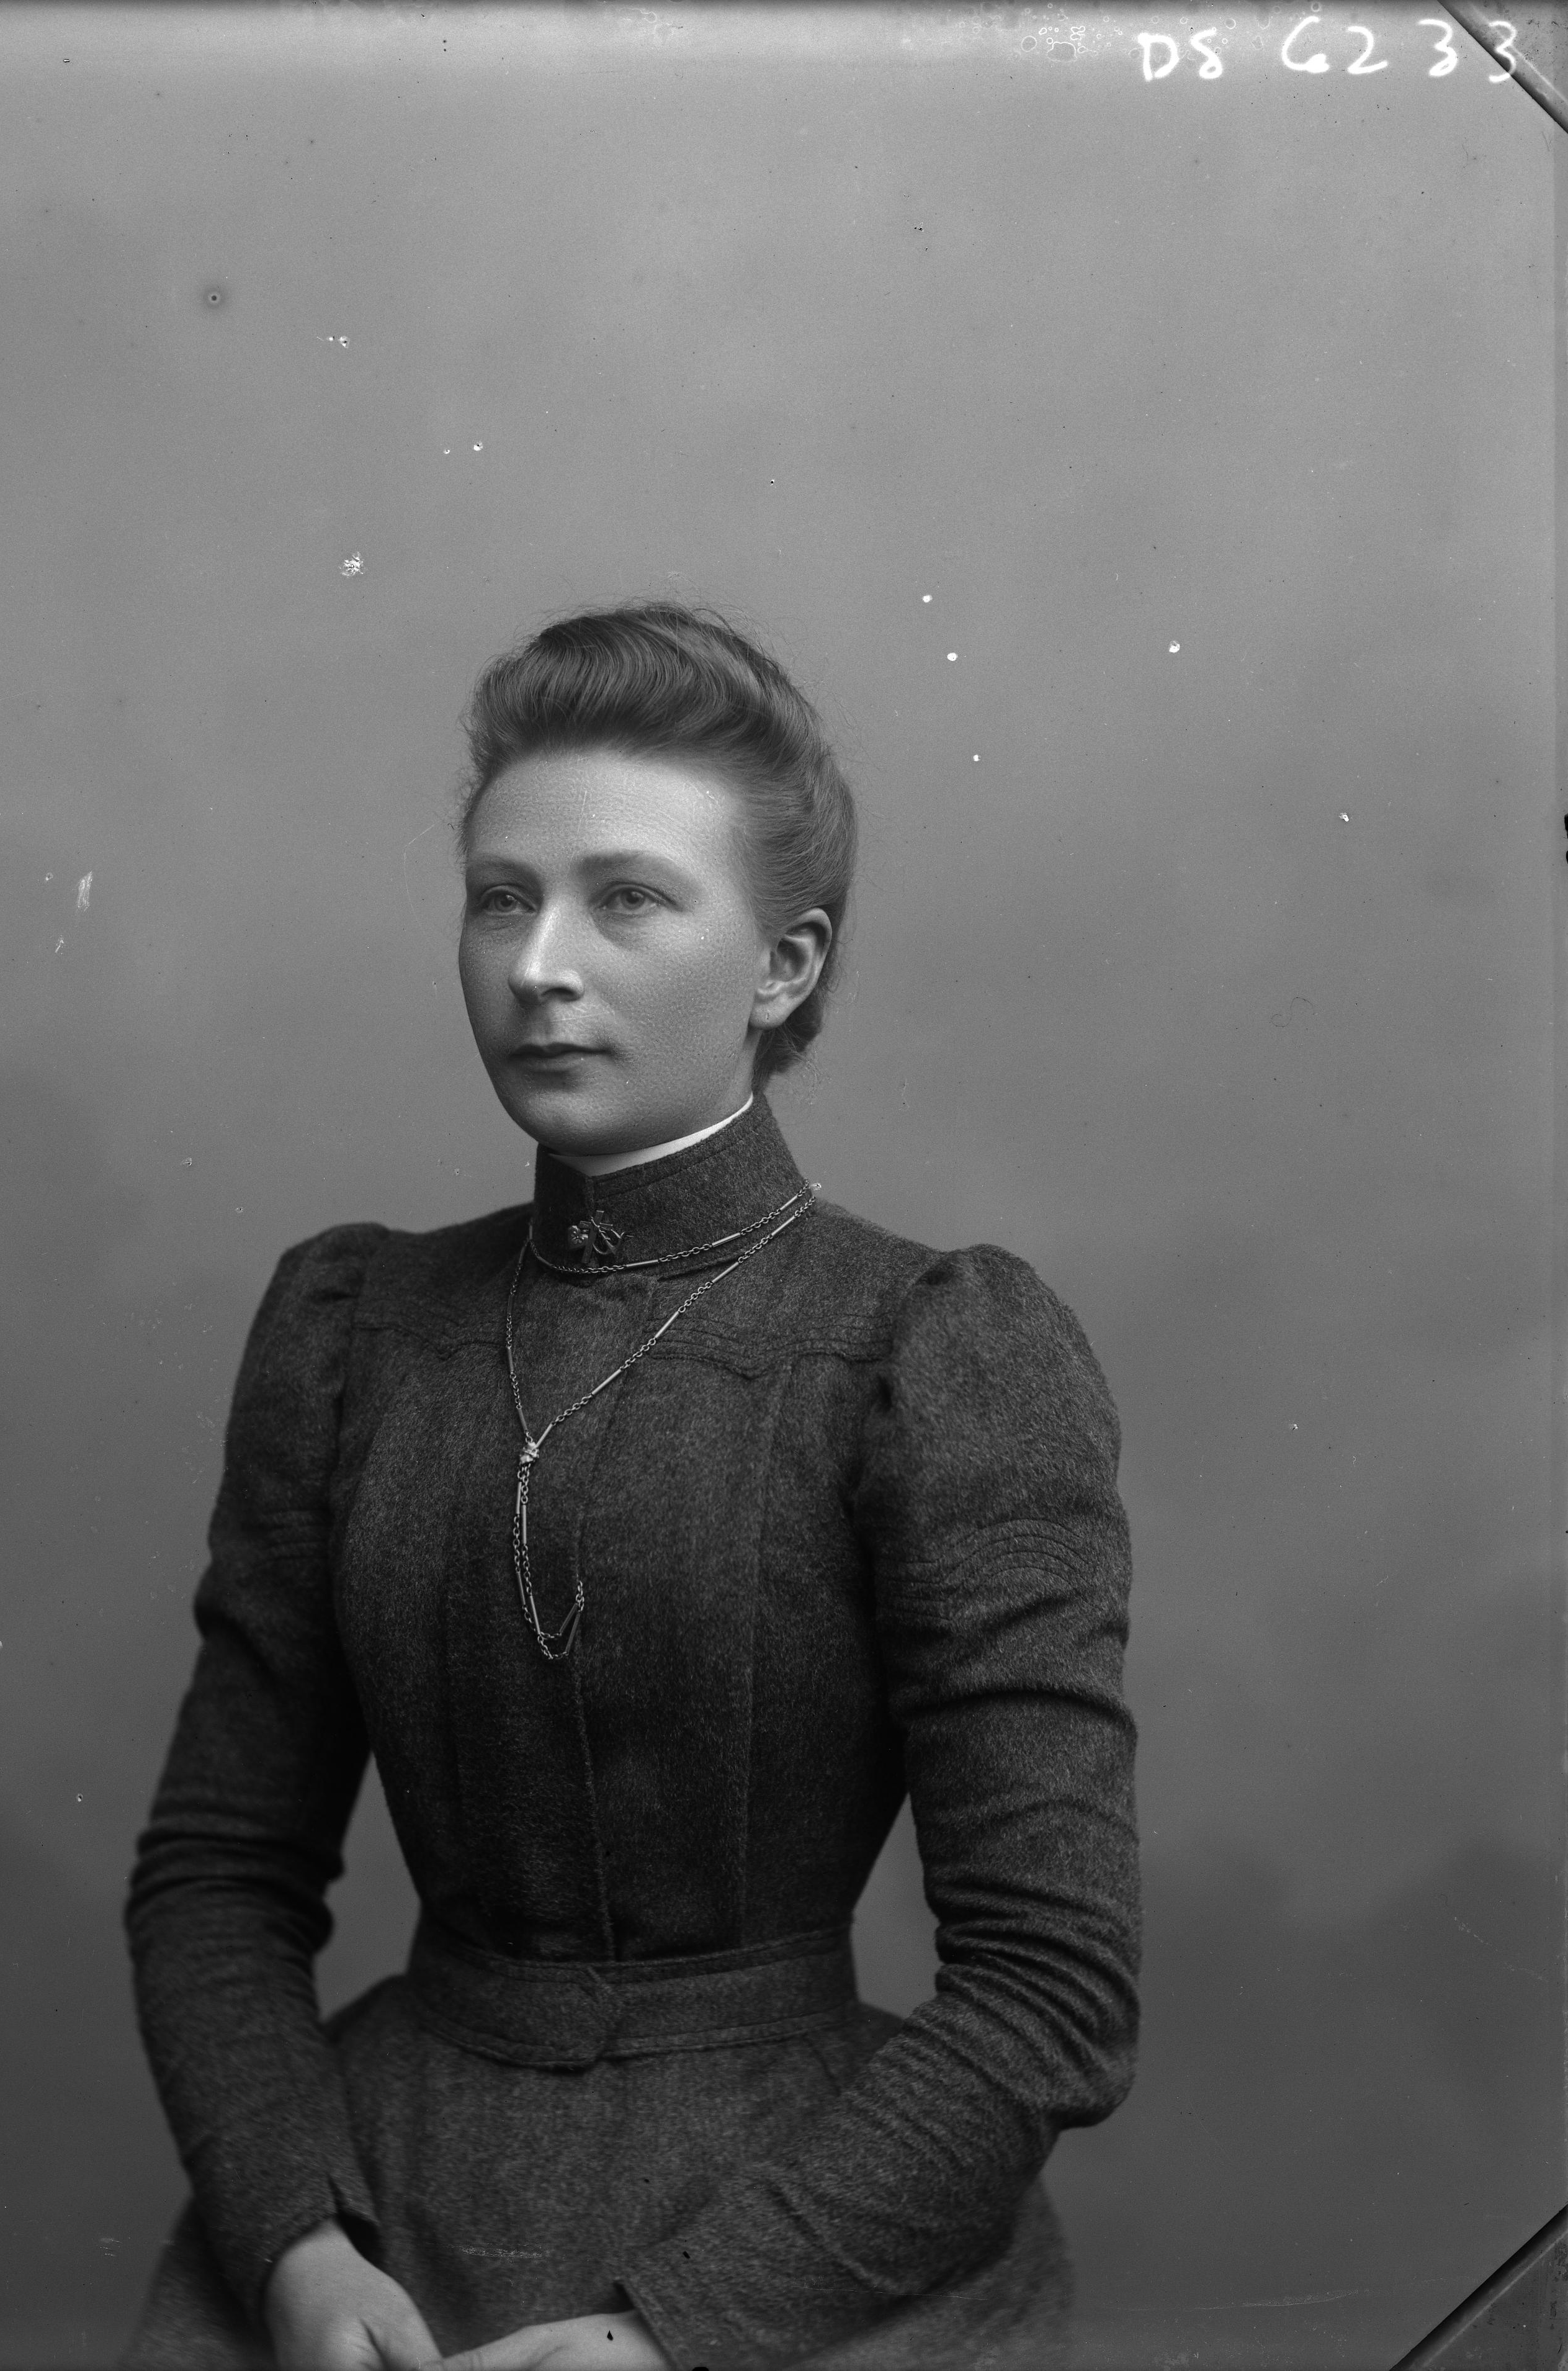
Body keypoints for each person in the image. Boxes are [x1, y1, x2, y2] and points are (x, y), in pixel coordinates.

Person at [122, 601, 1140, 2371]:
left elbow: (1054, 1986)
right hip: (370, 2213)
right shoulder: (352, 1329)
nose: (538, 964)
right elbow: (216, 1871)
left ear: (783, 966)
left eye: (628, 900)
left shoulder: (930, 1349)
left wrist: (679, 2333)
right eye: (499, 897)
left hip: (801, 2247)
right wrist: (294, 2241)